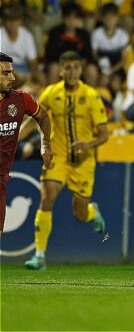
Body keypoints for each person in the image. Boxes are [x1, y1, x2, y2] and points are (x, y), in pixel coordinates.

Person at [24, 51, 109, 270]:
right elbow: (36, 118)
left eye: (76, 67)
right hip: (58, 155)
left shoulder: (91, 96)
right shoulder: (51, 93)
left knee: (80, 214)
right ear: (61, 70)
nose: (72, 72)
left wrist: (87, 144)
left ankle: (92, 211)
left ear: (80, 70)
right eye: (68, 68)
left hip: (83, 161)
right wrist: (13, 138)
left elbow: (103, 134)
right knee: (47, 196)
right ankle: (39, 255)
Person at [0, 52, 52, 236]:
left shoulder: (20, 99)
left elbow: (43, 117)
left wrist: (45, 144)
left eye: (12, 72)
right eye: (5, 73)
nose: (12, 77)